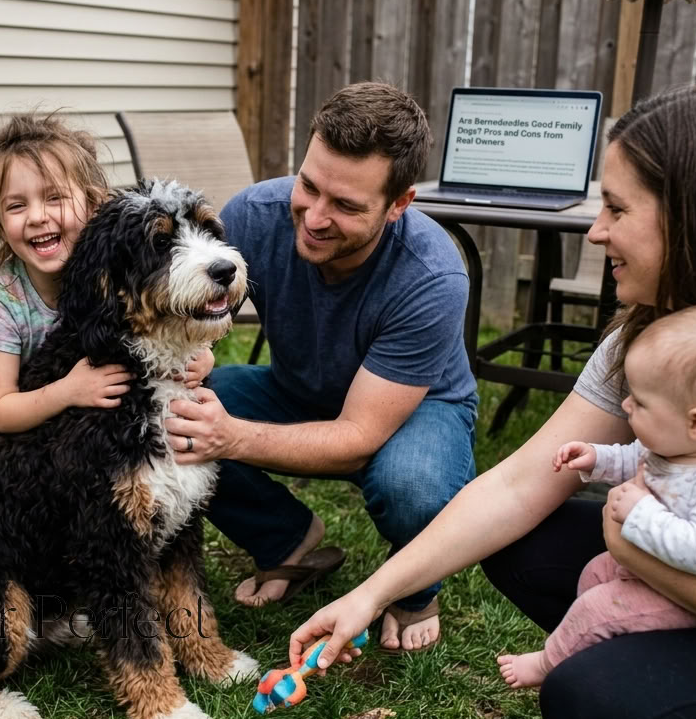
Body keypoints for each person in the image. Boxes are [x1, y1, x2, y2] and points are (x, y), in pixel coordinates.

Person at [289, 81, 696, 719]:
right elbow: (521, 482)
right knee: (526, 539)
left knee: (590, 704)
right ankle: (678, 690)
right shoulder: (651, 336)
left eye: (618, 209)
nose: (595, 232)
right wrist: (369, 596)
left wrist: (632, 543)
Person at [164, 81, 478, 654]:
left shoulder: (432, 276)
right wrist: (198, 344)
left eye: (347, 206)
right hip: (296, 388)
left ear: (399, 204)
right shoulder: (253, 216)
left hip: (414, 411)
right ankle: (287, 540)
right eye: (309, 185)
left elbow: (358, 438)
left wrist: (231, 437)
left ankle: (413, 590)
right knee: (173, 418)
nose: (314, 216)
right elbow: (204, 303)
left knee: (412, 485)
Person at [0, 112, 213, 625]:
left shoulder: (113, 260)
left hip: (73, 427)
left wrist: (199, 354)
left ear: (91, 204)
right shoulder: (5, 297)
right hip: (10, 417)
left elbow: (168, 324)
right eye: (17, 205)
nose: (38, 217)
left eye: (54, 198)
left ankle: (59, 594)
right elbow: (0, 410)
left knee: (86, 521)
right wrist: (70, 388)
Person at [498, 304, 696, 689]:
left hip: (693, 598)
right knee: (595, 572)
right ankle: (599, 657)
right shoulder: (682, 448)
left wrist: (640, 512)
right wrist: (597, 458)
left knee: (599, 607)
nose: (626, 405)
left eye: (640, 402)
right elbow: (637, 459)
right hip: (655, 565)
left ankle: (550, 662)